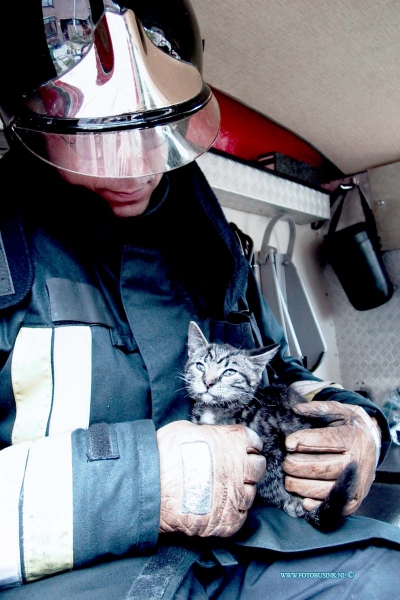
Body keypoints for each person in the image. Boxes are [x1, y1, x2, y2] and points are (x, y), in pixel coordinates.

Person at [0, 1, 399, 598]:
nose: (137, 170)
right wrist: (144, 483)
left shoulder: (207, 239)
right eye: (99, 142)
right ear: (28, 125)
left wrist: (354, 422)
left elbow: (273, 364)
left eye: (154, 133)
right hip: (81, 577)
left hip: (236, 548)